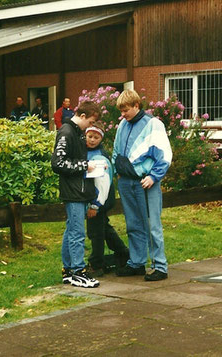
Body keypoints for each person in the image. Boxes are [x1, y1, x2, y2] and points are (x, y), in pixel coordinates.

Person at [112, 89, 172, 281]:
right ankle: (137, 263)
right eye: (121, 111)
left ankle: (160, 266)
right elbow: (116, 151)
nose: (122, 115)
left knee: (152, 223)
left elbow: (164, 154)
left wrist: (154, 177)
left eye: (126, 110)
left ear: (137, 106)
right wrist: (117, 173)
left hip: (145, 182)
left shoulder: (153, 125)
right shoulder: (123, 124)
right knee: (133, 224)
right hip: (126, 182)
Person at [51, 101, 101, 288]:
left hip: (78, 190)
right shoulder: (67, 132)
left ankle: (68, 270)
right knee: (77, 233)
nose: (89, 127)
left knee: (71, 230)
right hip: (73, 192)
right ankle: (78, 271)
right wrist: (83, 166)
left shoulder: (76, 132)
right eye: (89, 122)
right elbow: (57, 163)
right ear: (81, 116)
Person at [85, 122, 129, 277]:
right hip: (99, 200)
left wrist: (95, 206)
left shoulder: (99, 158)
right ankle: (123, 253)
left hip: (99, 200)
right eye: (89, 136)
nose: (91, 140)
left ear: (101, 139)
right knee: (104, 228)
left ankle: (97, 264)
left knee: (95, 232)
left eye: (95, 137)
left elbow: (101, 184)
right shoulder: (88, 153)